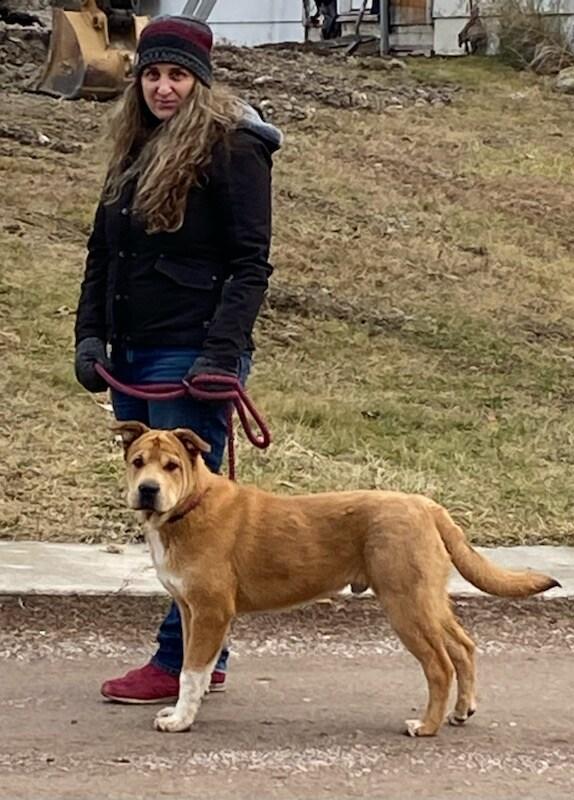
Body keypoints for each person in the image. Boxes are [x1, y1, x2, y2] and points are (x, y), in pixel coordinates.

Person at [74, 15, 282, 703]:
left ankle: (178, 662)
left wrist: (221, 352)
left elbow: (252, 264)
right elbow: (105, 253)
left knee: (195, 516)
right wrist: (90, 334)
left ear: (200, 81)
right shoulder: (132, 145)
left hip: (193, 353)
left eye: (177, 75)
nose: (164, 88)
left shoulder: (236, 149)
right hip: (131, 350)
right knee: (158, 504)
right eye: (153, 74)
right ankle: (203, 657)